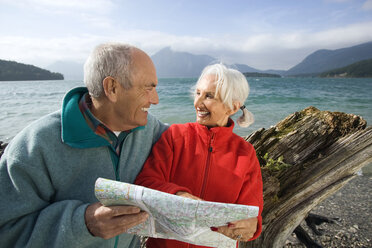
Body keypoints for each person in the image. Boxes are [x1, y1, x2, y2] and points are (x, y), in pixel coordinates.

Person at [0, 43, 168, 247]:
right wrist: (83, 224)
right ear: (112, 88)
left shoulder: (151, 129)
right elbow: (7, 233)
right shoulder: (33, 147)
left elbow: (191, 140)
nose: (156, 100)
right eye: (148, 88)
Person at [135, 64, 264, 248]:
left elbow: (252, 211)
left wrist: (251, 226)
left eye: (209, 96)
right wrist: (178, 195)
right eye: (198, 93)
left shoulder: (246, 154)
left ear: (232, 107)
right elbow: (146, 182)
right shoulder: (174, 136)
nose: (197, 103)